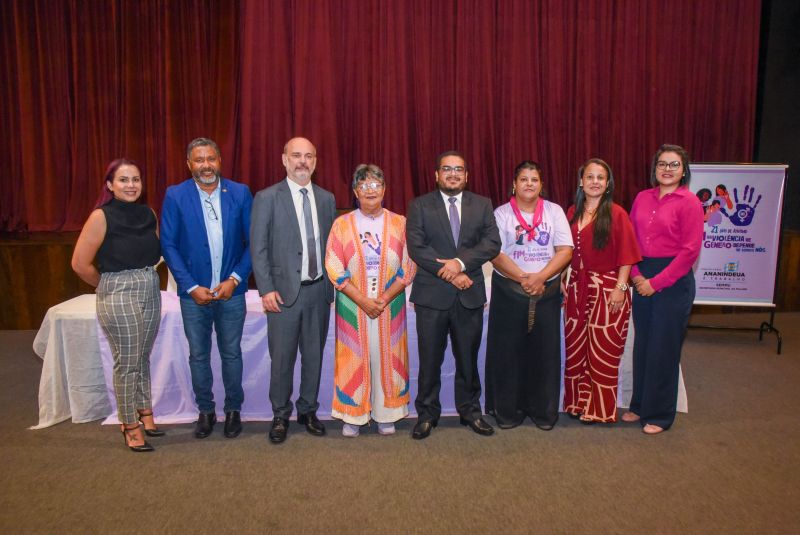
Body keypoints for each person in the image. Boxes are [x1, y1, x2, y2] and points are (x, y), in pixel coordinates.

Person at [161, 138, 253, 440]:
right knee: (198, 356)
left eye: (211, 158)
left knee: (231, 354)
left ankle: (233, 410)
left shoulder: (239, 193)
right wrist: (189, 286)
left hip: (231, 293)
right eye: (199, 160)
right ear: (189, 164)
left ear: (220, 161)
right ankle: (205, 410)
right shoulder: (175, 196)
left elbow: (253, 243)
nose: (206, 165)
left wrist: (235, 279)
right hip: (194, 295)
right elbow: (169, 245)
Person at [406, 150, 501, 439]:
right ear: (436, 175)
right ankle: (426, 413)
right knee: (429, 359)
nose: (453, 174)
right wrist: (449, 272)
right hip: (431, 297)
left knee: (468, 359)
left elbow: (491, 243)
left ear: (466, 175)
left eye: (459, 169)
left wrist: (459, 265)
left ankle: (471, 411)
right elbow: (417, 247)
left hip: (468, 294)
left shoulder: (482, 205)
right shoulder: (420, 205)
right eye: (447, 169)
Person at [71, 159, 162, 452]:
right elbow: (79, 263)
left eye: (136, 179)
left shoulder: (148, 213)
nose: (131, 185)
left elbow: (155, 251)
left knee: (142, 355)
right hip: (117, 289)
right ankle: (129, 424)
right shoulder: (101, 216)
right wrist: (105, 286)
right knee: (127, 362)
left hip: (149, 285)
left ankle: (145, 412)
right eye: (124, 180)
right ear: (110, 185)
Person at [251, 137, 336, 443]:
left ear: (315, 161)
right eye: (296, 155)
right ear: (284, 159)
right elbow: (258, 248)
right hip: (283, 294)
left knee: (314, 356)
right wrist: (266, 289)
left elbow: (331, 248)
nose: (303, 161)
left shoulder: (326, 199)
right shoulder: (267, 198)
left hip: (318, 292)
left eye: (309, 156)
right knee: (283, 358)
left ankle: (308, 410)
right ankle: (280, 414)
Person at [324, 164, 417, 437]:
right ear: (355, 192)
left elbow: (408, 265)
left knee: (388, 355)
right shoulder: (342, 225)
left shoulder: (400, 223)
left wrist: (384, 298)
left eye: (376, 185)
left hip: (392, 301)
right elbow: (333, 265)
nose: (370, 191)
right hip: (353, 302)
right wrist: (362, 299)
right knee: (354, 355)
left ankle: (386, 413)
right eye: (364, 186)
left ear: (385, 190)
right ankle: (353, 415)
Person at [623, 144, 704, 435]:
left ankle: (660, 414)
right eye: (662, 164)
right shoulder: (642, 198)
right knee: (644, 344)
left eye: (674, 165)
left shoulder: (690, 202)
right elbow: (629, 240)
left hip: (673, 281)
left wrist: (655, 283)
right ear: (654, 168)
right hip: (641, 274)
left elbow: (690, 252)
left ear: (684, 170)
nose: (667, 169)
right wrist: (634, 275)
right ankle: (639, 405)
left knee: (664, 348)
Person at [485, 161, 572, 430]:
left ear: (541, 184)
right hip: (510, 291)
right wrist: (525, 279)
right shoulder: (501, 214)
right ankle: (508, 412)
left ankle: (543, 412)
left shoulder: (554, 211)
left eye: (534, 179)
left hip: (546, 291)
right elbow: (496, 254)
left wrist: (541, 277)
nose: (529, 184)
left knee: (544, 354)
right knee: (508, 354)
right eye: (524, 179)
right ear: (514, 184)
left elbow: (565, 250)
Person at [562, 159, 641, 424]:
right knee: (576, 348)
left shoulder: (617, 213)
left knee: (602, 351)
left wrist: (620, 288)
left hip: (608, 289)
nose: (595, 181)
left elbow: (627, 255)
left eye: (601, 177)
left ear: (608, 184)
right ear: (581, 181)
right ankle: (577, 403)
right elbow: (564, 250)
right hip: (576, 288)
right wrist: (563, 277)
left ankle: (600, 409)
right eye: (590, 176)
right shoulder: (572, 210)